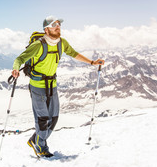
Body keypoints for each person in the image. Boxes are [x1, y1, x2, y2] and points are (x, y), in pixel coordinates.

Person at [12, 15, 105, 158]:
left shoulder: (62, 43)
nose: (58, 26)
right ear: (46, 29)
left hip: (52, 85)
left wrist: (92, 63)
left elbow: (73, 53)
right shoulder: (38, 45)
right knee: (43, 120)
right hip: (37, 86)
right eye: (54, 24)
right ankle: (41, 146)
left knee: (53, 119)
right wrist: (16, 69)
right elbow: (20, 58)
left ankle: (35, 140)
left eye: (59, 24)